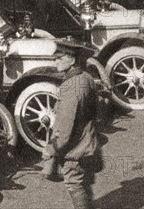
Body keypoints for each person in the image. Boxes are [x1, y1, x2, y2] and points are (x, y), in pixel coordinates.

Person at [42, 72, 102, 209]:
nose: (57, 61)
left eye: (61, 57)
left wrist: (50, 150)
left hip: (75, 150)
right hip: (89, 143)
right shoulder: (87, 77)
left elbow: (64, 131)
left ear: (72, 58)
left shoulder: (70, 88)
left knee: (75, 184)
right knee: (84, 183)